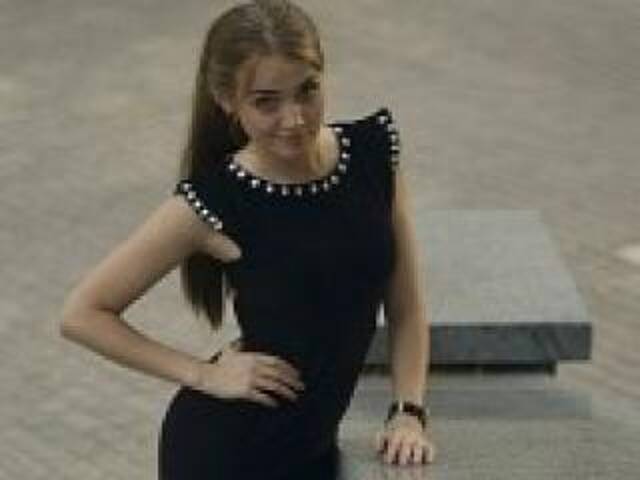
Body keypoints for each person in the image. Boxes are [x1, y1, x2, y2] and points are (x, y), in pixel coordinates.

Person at [59, 0, 436, 478]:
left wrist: (408, 411)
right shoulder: (216, 199)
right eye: (266, 101)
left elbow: (407, 309)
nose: (294, 118)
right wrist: (203, 373)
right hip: (228, 455)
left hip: (312, 451)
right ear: (227, 100)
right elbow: (82, 314)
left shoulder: (374, 155)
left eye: (307, 90)